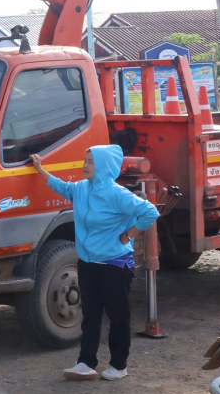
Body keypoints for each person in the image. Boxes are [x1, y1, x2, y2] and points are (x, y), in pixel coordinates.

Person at [30, 146, 160, 381]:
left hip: (114, 264)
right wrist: (40, 169)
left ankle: (119, 365)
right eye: (85, 159)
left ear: (103, 167)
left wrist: (129, 234)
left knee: (118, 315)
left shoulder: (116, 194)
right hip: (88, 263)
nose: (85, 165)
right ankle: (86, 362)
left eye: (90, 161)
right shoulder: (82, 189)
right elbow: (62, 187)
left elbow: (149, 211)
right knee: (90, 314)